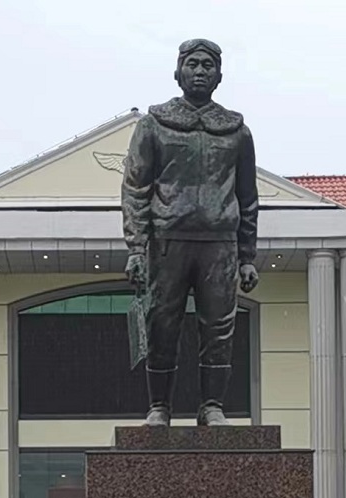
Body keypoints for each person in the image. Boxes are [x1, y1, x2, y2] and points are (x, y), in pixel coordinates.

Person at [122, 37, 259, 426]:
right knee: (162, 325)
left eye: (207, 65)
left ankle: (212, 405)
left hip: (219, 244)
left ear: (220, 76)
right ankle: (159, 407)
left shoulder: (237, 131)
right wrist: (136, 247)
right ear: (178, 72)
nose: (200, 71)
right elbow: (135, 188)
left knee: (219, 328)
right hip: (167, 242)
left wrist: (247, 256)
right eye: (193, 64)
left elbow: (248, 197)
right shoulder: (153, 125)